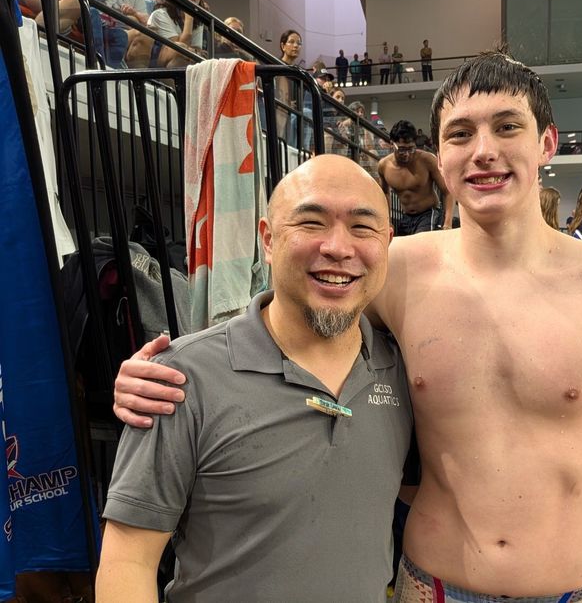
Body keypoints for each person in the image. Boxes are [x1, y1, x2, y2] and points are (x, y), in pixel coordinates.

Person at [113, 51, 582, 601]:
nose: (484, 151)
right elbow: (290, 324)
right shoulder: (396, 269)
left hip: (567, 584)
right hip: (429, 582)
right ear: (441, 158)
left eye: (507, 127)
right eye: (460, 134)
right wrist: (169, 373)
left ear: (546, 143)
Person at [96, 156, 412, 601]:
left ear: (387, 242)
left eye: (362, 227)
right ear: (268, 239)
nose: (339, 247)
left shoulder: (403, 371)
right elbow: (128, 561)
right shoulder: (179, 381)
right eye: (311, 222)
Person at [378, 119, 453, 235]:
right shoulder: (384, 166)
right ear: (392, 143)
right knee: (401, 246)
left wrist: (447, 224)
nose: (407, 154)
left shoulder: (427, 160)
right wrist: (387, 221)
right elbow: (385, 194)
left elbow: (447, 191)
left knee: (421, 244)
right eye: (402, 149)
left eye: (411, 148)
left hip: (428, 214)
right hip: (406, 217)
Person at [147, 0, 205, 68]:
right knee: (181, 50)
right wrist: (189, 17)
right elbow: (179, 50)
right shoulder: (160, 14)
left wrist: (195, 51)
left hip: (180, 64)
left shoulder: (198, 21)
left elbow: (197, 50)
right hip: (156, 64)